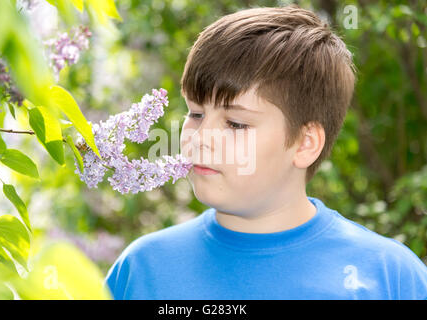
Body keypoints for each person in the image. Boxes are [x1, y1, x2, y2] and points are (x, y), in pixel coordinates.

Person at [105, 5, 427, 300]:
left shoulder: (389, 278)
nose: (201, 138)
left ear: (305, 144)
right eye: (196, 114)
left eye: (236, 124)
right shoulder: (142, 270)